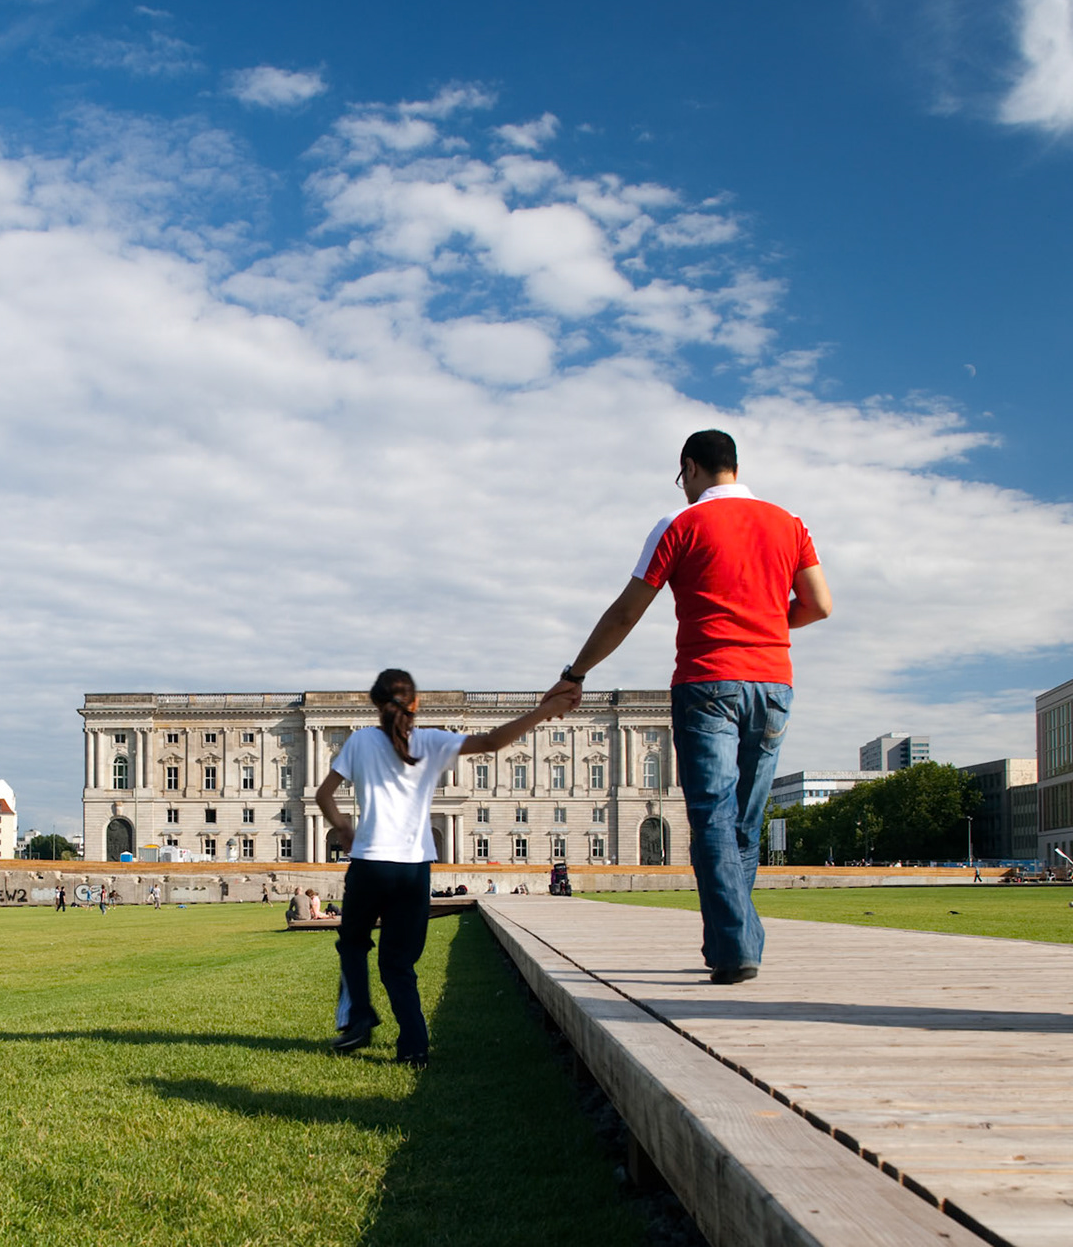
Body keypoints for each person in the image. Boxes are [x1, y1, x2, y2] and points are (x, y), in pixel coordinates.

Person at [545, 430, 831, 985]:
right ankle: (731, 940)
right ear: (737, 466)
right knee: (746, 820)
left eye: (683, 479)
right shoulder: (790, 523)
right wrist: (770, 625)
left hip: (707, 684)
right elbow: (818, 605)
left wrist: (575, 673)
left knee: (712, 817)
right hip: (774, 685)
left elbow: (626, 612)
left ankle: (734, 946)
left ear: (691, 469)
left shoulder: (681, 524)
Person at [317, 668, 575, 1065]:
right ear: (416, 704)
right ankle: (415, 1045)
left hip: (369, 863)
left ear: (376, 704)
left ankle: (360, 1015)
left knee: (353, 943)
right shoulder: (432, 741)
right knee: (398, 963)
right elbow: (491, 741)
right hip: (414, 869)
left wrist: (342, 826)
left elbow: (324, 795)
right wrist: (544, 710)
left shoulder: (361, 740)